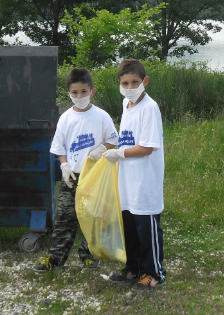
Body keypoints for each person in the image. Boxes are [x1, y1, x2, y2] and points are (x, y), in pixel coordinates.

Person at [33, 67, 118, 272]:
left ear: (92, 92)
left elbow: (114, 140)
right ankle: (56, 258)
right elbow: (59, 146)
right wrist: (64, 165)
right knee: (64, 216)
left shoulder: (101, 116)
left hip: (94, 177)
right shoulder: (66, 118)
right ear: (68, 93)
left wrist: (101, 148)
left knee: (95, 216)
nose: (79, 96)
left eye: (83, 92)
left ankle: (89, 254)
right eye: (75, 93)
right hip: (71, 176)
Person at [104, 59, 166, 291]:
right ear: (119, 84)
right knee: (128, 225)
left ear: (145, 82)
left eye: (135, 82)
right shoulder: (126, 104)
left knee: (146, 228)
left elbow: (147, 147)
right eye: (125, 83)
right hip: (127, 180)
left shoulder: (150, 108)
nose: (130, 88)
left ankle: (154, 273)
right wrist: (111, 149)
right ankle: (133, 266)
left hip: (144, 182)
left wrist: (121, 154)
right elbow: (127, 138)